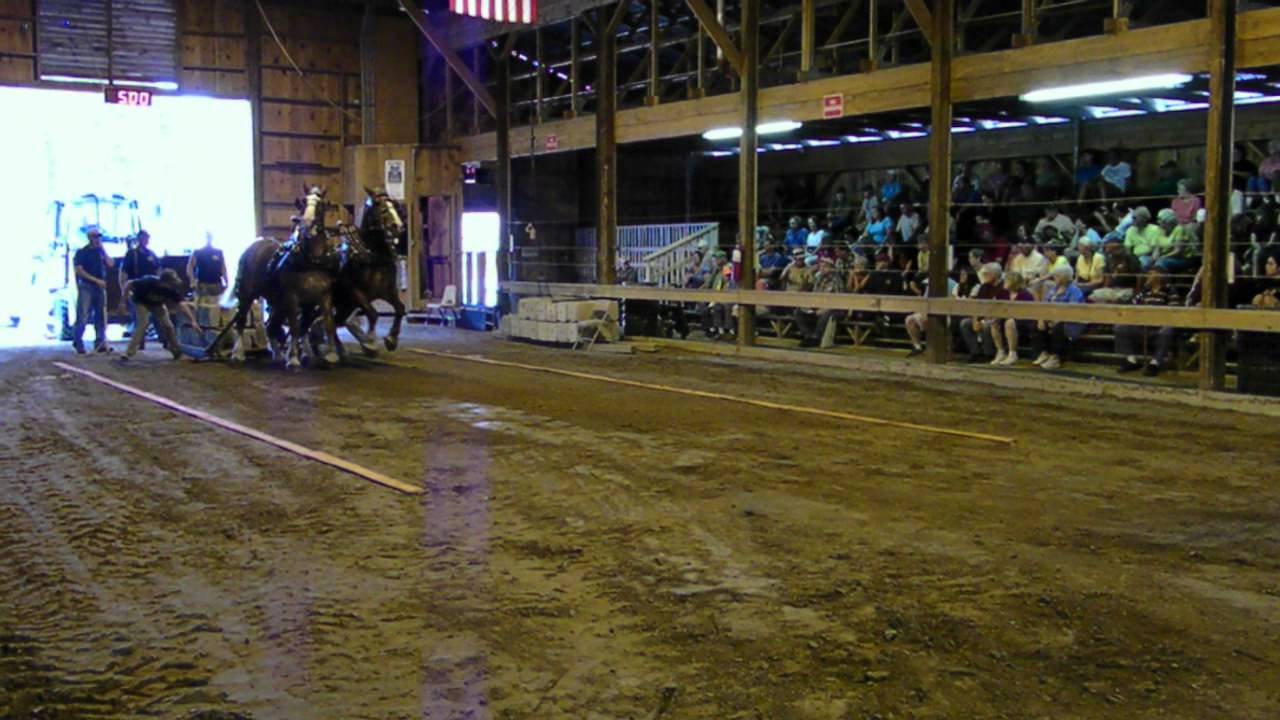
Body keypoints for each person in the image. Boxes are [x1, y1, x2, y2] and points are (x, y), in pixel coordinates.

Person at [1114, 269, 1181, 376]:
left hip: (1160, 326)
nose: (1150, 276)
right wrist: (1144, 288)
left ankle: (1155, 363)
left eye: (1152, 273)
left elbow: (1175, 309)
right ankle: (1131, 360)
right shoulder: (1145, 290)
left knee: (1167, 330)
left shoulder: (1169, 290)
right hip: (1143, 325)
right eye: (1149, 274)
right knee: (1120, 327)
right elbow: (1133, 304)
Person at [121, 269, 199, 361]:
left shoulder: (171, 290)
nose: (171, 286)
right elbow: (129, 284)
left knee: (168, 326)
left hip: (157, 304)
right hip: (140, 302)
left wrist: (193, 321)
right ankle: (129, 352)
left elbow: (182, 305)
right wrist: (123, 302)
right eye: (170, 283)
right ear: (163, 282)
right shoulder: (148, 282)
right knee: (143, 324)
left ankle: (175, 350)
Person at [1031, 265, 1086, 370]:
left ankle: (1055, 358)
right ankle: (1044, 353)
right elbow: (1045, 305)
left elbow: (1073, 310)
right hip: (1053, 318)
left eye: (1056, 276)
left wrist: (1057, 319)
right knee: (1037, 324)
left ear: (1064, 277)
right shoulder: (1053, 289)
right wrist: (1042, 318)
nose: (1054, 278)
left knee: (1059, 327)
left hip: (1071, 321)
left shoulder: (1074, 290)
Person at [72, 227, 114, 354]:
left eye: (99, 237)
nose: (97, 239)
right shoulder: (82, 253)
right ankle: (78, 341)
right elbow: (79, 270)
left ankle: (100, 342)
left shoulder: (100, 253)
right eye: (95, 237)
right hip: (86, 287)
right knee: (83, 315)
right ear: (89, 238)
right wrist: (95, 280)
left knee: (101, 315)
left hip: (100, 287)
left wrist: (103, 251)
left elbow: (111, 264)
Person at [959, 263, 1008, 362]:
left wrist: (985, 319)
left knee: (987, 325)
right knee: (965, 323)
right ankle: (975, 352)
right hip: (982, 316)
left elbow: (1002, 307)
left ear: (994, 275)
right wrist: (975, 319)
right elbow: (977, 305)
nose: (983, 276)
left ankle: (988, 354)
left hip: (996, 317)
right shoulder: (984, 286)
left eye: (986, 274)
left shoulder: (1004, 287)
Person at [119, 229, 160, 343]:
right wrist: (124, 289)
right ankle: (139, 342)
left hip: (151, 289)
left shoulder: (151, 254)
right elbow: (124, 272)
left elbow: (158, 270)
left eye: (147, 238)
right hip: (136, 289)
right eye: (143, 238)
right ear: (139, 239)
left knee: (157, 316)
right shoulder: (132, 254)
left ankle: (163, 339)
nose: (145, 240)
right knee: (138, 318)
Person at [796, 256, 846, 347]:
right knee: (799, 311)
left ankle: (816, 337)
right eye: (820, 266)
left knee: (827, 314)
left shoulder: (836, 280)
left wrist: (825, 308)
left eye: (824, 266)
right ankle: (808, 336)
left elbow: (839, 300)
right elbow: (814, 294)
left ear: (830, 267)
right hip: (817, 305)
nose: (821, 268)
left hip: (834, 308)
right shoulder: (819, 278)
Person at [990, 271, 1035, 366]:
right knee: (994, 322)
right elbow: (997, 307)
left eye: (1007, 280)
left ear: (1014, 282)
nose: (1004, 282)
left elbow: (1025, 312)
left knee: (1010, 322)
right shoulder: (1002, 293)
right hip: (1005, 319)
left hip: (1022, 321)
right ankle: (1001, 352)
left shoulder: (1025, 295)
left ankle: (1012, 354)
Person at [1153, 208, 1199, 274]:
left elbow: (1178, 251)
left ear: (1169, 221)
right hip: (1165, 258)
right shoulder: (1161, 231)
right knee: (1146, 263)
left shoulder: (1179, 229)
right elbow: (1157, 249)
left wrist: (1163, 257)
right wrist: (1154, 257)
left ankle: (1162, 283)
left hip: (1182, 259)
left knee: (1162, 263)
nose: (1159, 222)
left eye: (1161, 221)